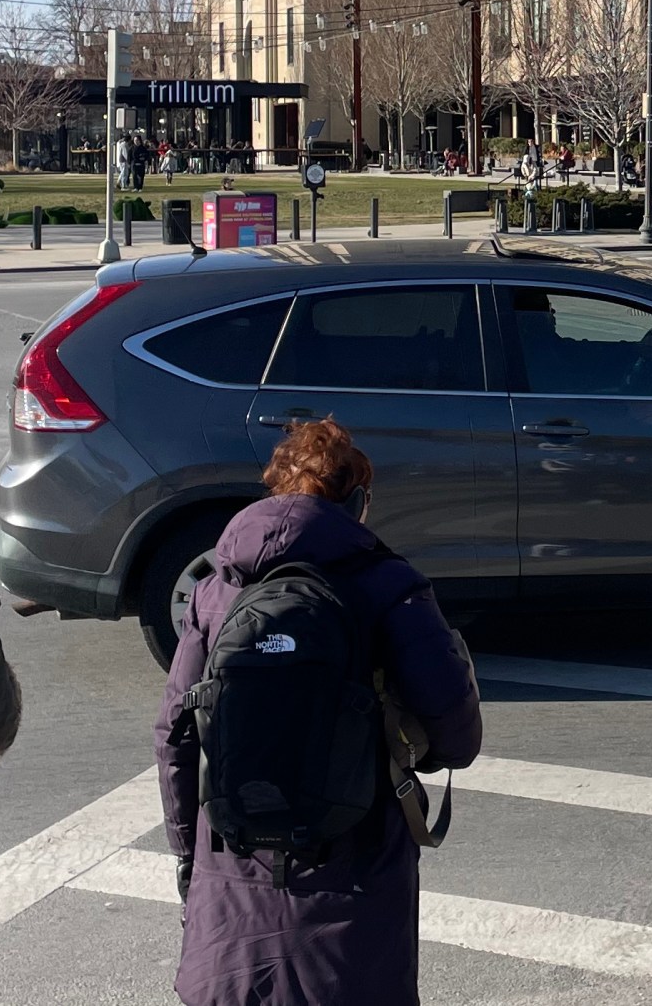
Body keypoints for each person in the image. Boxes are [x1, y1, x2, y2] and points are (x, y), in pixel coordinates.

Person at [154, 420, 482, 1006]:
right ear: (357, 502)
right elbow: (456, 736)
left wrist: (189, 856)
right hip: (354, 867)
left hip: (233, 862)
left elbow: (175, 737)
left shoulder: (215, 590)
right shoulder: (389, 586)